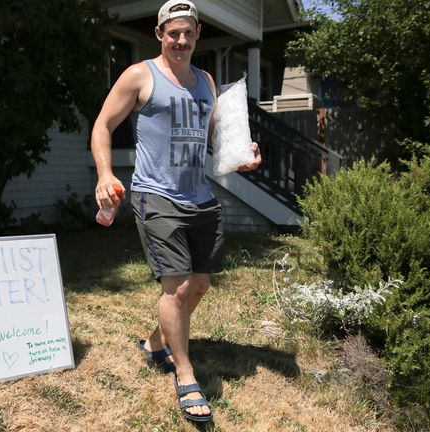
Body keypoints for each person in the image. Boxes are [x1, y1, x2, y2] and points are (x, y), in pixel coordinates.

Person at [90, 0, 262, 423]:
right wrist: (104, 174)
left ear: (197, 34)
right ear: (159, 34)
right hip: (156, 195)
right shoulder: (139, 75)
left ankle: (154, 344)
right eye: (173, 33)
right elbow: (102, 126)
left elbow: (212, 141)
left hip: (199, 196)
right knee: (179, 288)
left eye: (188, 32)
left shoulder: (206, 81)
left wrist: (241, 156)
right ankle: (184, 373)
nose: (180, 40)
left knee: (200, 285)